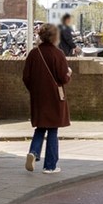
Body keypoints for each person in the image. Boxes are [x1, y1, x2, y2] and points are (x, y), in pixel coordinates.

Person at [23, 22, 71, 174]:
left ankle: (33, 152)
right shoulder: (58, 54)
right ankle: (50, 166)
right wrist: (69, 74)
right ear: (55, 37)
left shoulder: (33, 53)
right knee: (52, 129)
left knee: (41, 126)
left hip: (38, 97)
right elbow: (63, 77)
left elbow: (26, 77)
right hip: (54, 97)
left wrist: (35, 90)